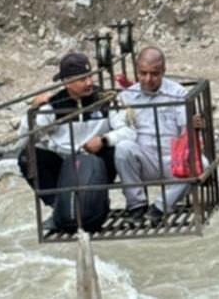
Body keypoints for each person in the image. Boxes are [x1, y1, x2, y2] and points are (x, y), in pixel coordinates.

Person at [17, 52, 134, 228]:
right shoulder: (54, 105)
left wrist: (104, 139)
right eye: (82, 79)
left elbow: (129, 132)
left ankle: (101, 202)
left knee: (120, 148)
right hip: (65, 165)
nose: (89, 83)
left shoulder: (105, 99)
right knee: (28, 157)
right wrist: (34, 109)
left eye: (90, 77)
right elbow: (25, 138)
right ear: (66, 82)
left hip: (97, 162)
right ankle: (60, 208)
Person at [115, 46, 204, 226]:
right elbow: (118, 127)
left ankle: (160, 207)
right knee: (123, 148)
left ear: (163, 71)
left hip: (173, 161)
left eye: (154, 74)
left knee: (203, 164)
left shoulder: (177, 93)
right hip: (144, 160)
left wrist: (194, 124)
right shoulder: (127, 96)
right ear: (137, 71)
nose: (148, 79)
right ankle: (136, 205)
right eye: (143, 73)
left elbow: (185, 128)